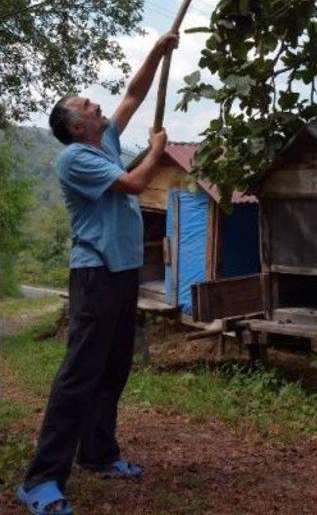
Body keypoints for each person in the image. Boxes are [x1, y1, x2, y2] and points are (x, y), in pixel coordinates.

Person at [16, 31, 179, 515]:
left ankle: (99, 454)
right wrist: (155, 148)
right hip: (95, 275)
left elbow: (133, 93)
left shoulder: (102, 141)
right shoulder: (76, 158)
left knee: (113, 367)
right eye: (87, 105)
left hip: (123, 272)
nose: (96, 104)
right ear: (75, 127)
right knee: (79, 374)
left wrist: (157, 50)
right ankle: (41, 479)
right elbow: (133, 183)